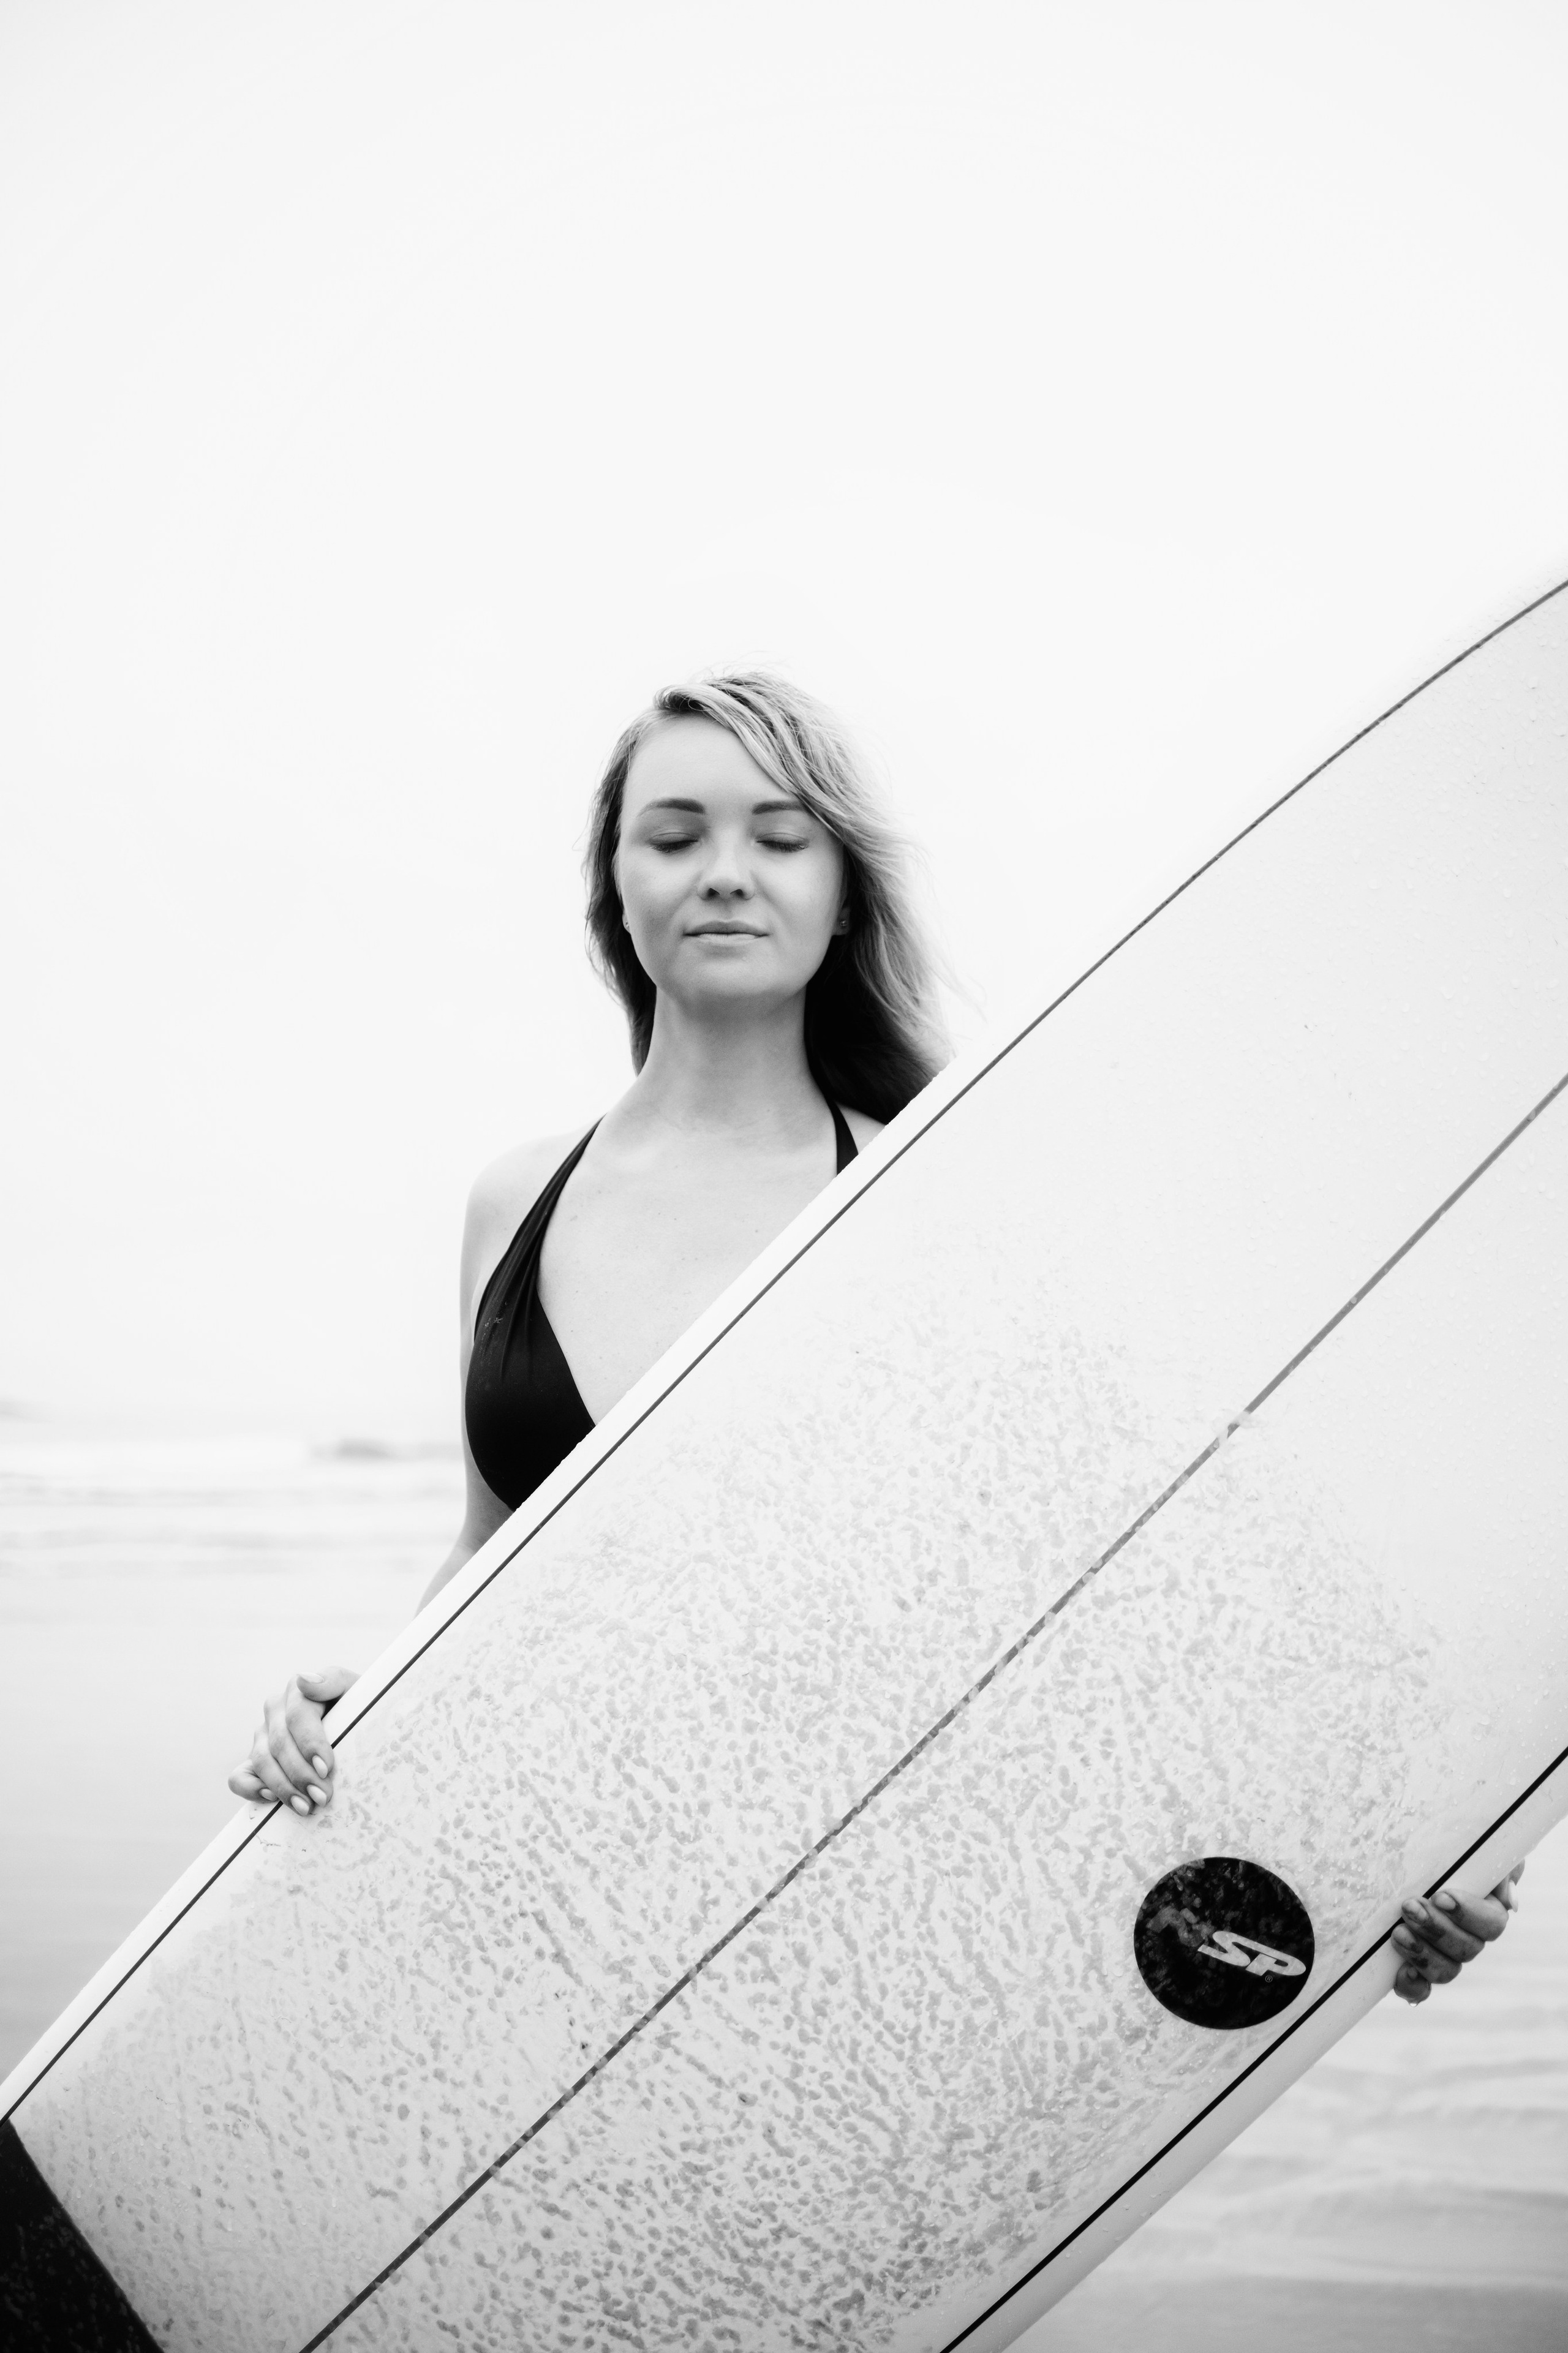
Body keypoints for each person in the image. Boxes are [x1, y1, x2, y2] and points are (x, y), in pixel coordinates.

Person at [228, 668, 1521, 2006]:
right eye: (673, 835)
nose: (725, 871)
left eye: (779, 837)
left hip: (861, 1912)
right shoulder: (515, 1201)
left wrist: (1417, 1828)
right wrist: (355, 1711)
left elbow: (1156, 1562)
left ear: (841, 889)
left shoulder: (933, 1197)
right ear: (613, 885)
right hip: (572, 1901)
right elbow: (494, 1543)